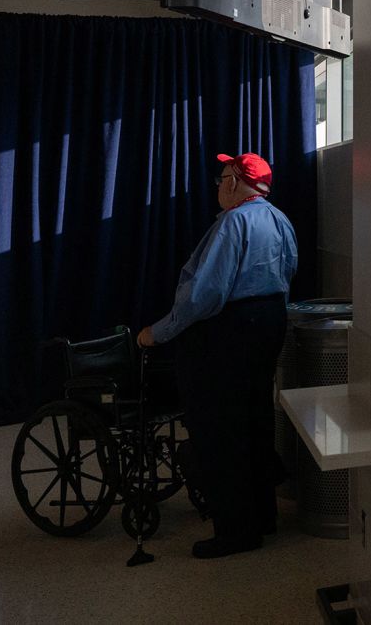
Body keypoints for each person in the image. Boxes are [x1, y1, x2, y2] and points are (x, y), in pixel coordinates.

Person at [137, 153, 298, 559]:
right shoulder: (279, 219)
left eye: (222, 177)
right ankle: (262, 517)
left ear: (233, 182)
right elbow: (290, 269)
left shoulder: (232, 223)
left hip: (229, 332)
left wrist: (157, 333)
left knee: (219, 432)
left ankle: (235, 531)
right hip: (270, 323)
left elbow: (204, 295)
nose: (218, 184)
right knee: (254, 423)